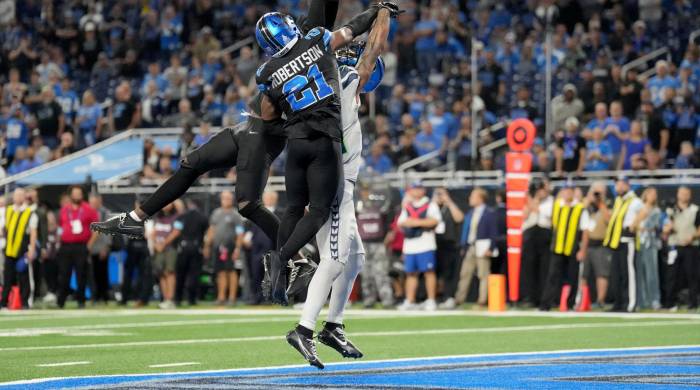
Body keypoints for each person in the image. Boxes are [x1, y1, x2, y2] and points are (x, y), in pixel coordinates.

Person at [255, 3, 398, 307]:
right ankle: (288, 274)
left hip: (296, 143)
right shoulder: (341, 71)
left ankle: (285, 267)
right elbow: (365, 42)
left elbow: (267, 114)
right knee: (327, 240)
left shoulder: (266, 72)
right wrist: (380, 12)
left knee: (293, 208)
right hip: (329, 156)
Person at [284, 10, 392, 369]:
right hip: (332, 183)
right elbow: (374, 49)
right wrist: (384, 12)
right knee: (334, 260)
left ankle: (334, 324)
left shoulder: (314, 87)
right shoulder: (344, 79)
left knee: (356, 255)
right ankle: (304, 328)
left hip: (330, 177)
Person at [540, 184, 590, 311]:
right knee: (552, 276)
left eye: (569, 191)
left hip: (573, 247)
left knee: (573, 277)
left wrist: (582, 250)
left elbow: (585, 231)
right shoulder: (556, 205)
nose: (567, 194)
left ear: (573, 193)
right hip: (557, 247)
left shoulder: (580, 208)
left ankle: (571, 303)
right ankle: (546, 303)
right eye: (565, 191)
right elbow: (541, 211)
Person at [445, 188, 498, 308]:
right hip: (471, 246)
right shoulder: (470, 213)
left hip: (482, 246)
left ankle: (482, 300)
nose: (470, 199)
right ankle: (459, 299)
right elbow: (467, 231)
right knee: (465, 273)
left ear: (480, 198)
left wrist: (491, 247)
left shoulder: (489, 213)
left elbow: (493, 233)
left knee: (483, 274)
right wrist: (464, 245)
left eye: (473, 197)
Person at [396, 181, 442, 311]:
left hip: (425, 244)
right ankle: (410, 300)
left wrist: (416, 222)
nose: (416, 191)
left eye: (419, 189)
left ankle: (431, 300)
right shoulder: (408, 206)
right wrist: (410, 222)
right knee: (410, 273)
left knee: (429, 272)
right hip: (410, 245)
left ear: (423, 190)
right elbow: (401, 223)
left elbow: (435, 221)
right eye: (414, 189)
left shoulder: (430, 205)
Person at [604, 176, 643, 312]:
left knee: (629, 274)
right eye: (616, 185)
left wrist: (635, 225)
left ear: (627, 185)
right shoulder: (618, 201)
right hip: (616, 241)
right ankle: (618, 303)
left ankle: (630, 303)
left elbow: (644, 213)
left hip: (628, 240)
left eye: (621, 184)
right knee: (616, 274)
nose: (618, 187)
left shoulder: (635, 201)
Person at [56, 186, 98, 309]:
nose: (77, 196)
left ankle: (81, 301)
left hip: (81, 246)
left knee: (81, 274)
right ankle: (61, 301)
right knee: (64, 274)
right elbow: (61, 227)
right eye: (75, 194)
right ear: (71, 195)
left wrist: (89, 245)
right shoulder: (64, 209)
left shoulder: (88, 209)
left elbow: (96, 228)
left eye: (79, 194)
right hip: (66, 245)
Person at [662, 186, 700, 310]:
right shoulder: (670, 210)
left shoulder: (695, 210)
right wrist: (668, 227)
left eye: (686, 193)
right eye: (682, 193)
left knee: (692, 275)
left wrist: (693, 237)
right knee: (672, 275)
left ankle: (693, 302)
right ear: (677, 194)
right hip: (674, 245)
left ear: (690, 195)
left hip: (690, 246)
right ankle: (670, 303)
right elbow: (665, 230)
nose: (684, 195)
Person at [204, 191, 245, 306]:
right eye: (224, 198)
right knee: (220, 272)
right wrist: (207, 245)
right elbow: (211, 230)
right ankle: (221, 297)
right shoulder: (216, 213)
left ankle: (232, 298)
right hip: (218, 247)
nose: (226, 200)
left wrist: (237, 248)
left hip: (230, 246)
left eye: (228, 198)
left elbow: (240, 233)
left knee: (231, 271)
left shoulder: (235, 214)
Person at [357, 183, 394, 308]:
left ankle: (387, 299)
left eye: (368, 191)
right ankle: (368, 299)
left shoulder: (380, 205)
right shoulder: (357, 206)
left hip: (378, 243)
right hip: (363, 243)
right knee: (366, 273)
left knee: (381, 272)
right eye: (364, 191)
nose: (366, 193)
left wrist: (387, 238)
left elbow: (388, 223)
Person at [0, 188, 38, 309]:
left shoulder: (30, 212)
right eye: (16, 195)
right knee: (7, 277)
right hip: (9, 249)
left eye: (21, 195)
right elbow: (3, 228)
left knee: (24, 277)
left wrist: (32, 249)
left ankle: (25, 302)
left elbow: (33, 232)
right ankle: (4, 302)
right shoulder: (7, 210)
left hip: (22, 250)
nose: (18, 198)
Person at [520, 178, 554, 307]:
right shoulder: (531, 200)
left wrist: (532, 200)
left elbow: (541, 212)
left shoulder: (551, 201)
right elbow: (525, 215)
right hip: (530, 233)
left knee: (544, 268)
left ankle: (543, 297)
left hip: (544, 233)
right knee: (529, 267)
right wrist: (532, 199)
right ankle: (529, 297)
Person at [580, 182, 612, 308]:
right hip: (588, 245)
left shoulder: (607, 205)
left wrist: (601, 203)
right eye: (595, 192)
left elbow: (609, 220)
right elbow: (585, 231)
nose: (597, 195)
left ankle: (600, 300)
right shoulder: (587, 208)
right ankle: (582, 299)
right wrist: (582, 249)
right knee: (584, 274)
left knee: (602, 273)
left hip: (601, 244)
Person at [173, 199, 208, 306]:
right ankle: (191, 299)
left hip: (183, 247)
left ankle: (178, 298)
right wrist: (206, 247)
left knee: (180, 275)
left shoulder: (182, 217)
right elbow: (208, 232)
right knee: (194, 275)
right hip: (196, 247)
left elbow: (176, 232)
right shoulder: (202, 217)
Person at [433, 187, 464, 306]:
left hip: (449, 243)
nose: (440, 196)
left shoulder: (450, 207)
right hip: (434, 243)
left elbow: (459, 218)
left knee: (448, 273)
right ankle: (435, 297)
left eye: (442, 194)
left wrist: (449, 202)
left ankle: (448, 296)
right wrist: (434, 202)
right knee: (434, 273)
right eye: (438, 193)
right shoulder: (432, 208)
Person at [633, 187, 662, 310]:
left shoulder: (656, 210)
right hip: (638, 243)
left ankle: (654, 299)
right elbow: (632, 225)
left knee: (652, 273)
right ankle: (640, 300)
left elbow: (650, 226)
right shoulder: (637, 208)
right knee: (638, 273)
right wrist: (637, 223)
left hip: (650, 243)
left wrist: (638, 223)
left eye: (655, 194)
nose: (653, 196)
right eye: (651, 194)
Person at [148, 202, 180, 310]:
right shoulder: (158, 217)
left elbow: (176, 232)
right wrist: (156, 244)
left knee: (169, 272)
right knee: (161, 274)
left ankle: (171, 299)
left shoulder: (177, 217)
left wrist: (164, 243)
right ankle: (165, 298)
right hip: (159, 249)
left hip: (170, 249)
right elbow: (152, 233)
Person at [87, 194, 111, 304]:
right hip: (90, 247)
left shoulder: (105, 213)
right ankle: (94, 296)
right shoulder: (87, 211)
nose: (92, 204)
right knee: (92, 274)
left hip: (101, 247)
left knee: (102, 273)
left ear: (99, 201)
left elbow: (109, 231)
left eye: (93, 202)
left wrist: (105, 248)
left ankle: (104, 296)